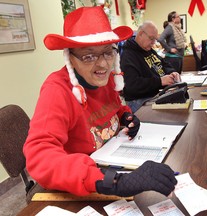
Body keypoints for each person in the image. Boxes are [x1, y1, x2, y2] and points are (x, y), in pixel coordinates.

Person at [23, 7, 177, 199]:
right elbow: (40, 157)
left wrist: (126, 116)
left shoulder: (106, 79)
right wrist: (113, 181)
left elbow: (116, 107)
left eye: (108, 52)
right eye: (88, 56)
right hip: (81, 184)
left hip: (111, 159)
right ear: (70, 57)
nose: (103, 64)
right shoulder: (57, 90)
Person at [120, 21, 180, 113]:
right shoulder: (128, 55)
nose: (153, 43)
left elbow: (164, 64)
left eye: (155, 39)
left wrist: (172, 72)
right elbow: (132, 85)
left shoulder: (148, 49)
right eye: (151, 38)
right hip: (139, 100)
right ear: (140, 34)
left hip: (155, 94)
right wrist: (160, 81)